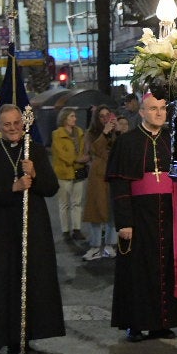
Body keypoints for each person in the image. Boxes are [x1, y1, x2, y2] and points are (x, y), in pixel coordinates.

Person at [0, 103, 64, 354]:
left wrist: (34, 174)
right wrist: (14, 187)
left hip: (32, 228)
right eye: (7, 124)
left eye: (17, 124)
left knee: (28, 282)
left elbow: (51, 188)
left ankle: (20, 338)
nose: (13, 129)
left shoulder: (34, 152)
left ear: (24, 125)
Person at [108, 92, 177, 341]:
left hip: (169, 213)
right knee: (137, 271)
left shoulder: (174, 140)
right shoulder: (126, 142)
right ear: (141, 112)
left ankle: (163, 322)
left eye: (162, 108)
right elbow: (119, 186)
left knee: (166, 268)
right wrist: (124, 222)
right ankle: (135, 324)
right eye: (152, 109)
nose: (159, 113)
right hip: (138, 216)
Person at [81, 105, 118, 260]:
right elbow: (94, 149)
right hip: (97, 175)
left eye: (106, 115)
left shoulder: (115, 132)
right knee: (96, 210)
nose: (104, 118)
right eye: (101, 116)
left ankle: (110, 244)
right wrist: (104, 133)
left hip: (113, 173)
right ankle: (95, 246)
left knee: (111, 210)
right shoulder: (91, 133)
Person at [49, 107, 88, 243]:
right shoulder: (57, 134)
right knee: (64, 203)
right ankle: (65, 231)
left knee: (77, 202)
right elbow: (61, 153)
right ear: (64, 118)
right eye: (72, 116)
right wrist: (77, 159)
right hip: (64, 172)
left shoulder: (79, 132)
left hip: (79, 171)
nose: (74, 119)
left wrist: (84, 158)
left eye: (75, 116)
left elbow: (83, 149)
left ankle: (76, 229)